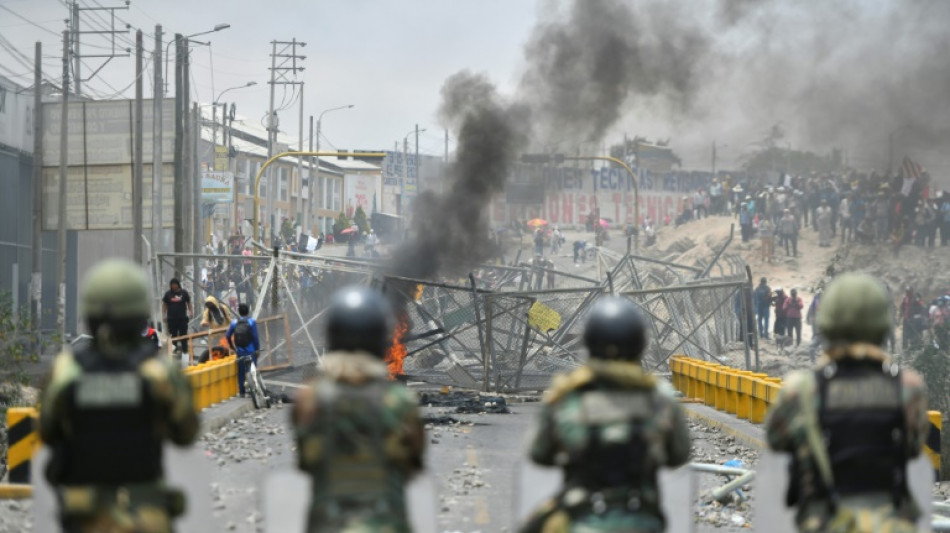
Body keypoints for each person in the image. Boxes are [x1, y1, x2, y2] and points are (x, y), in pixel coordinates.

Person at [39, 259, 199, 533]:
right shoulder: (159, 373)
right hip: (146, 515)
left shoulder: (66, 371)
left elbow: (47, 430)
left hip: (85, 515)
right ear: (139, 313)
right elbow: (185, 433)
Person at [765, 274, 928, 533]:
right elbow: (913, 449)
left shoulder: (803, 389)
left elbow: (776, 441)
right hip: (891, 522)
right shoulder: (907, 387)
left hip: (823, 522)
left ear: (828, 321)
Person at [520, 297, 691, 533]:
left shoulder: (568, 394)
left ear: (589, 342)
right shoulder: (658, 396)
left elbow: (540, 454)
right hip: (643, 522)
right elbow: (679, 456)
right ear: (639, 344)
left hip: (582, 521)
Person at [292, 286, 425, 533]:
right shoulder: (400, 401)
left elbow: (305, 463)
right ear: (379, 338)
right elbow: (413, 465)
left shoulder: (309, 398)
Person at [226, 304, 261, 398]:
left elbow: (228, 335)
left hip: (240, 351)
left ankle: (242, 392)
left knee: (241, 372)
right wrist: (257, 349)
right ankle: (254, 390)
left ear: (239, 312)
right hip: (251, 351)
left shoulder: (234, 322)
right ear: (248, 311)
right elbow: (255, 337)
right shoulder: (251, 322)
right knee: (252, 370)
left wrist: (232, 347)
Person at [162, 278, 192, 354]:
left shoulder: (184, 293)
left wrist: (191, 311)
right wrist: (163, 315)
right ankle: (173, 351)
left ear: (178, 285)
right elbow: (164, 305)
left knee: (183, 335)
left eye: (175, 284)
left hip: (182, 318)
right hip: (171, 319)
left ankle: (185, 351)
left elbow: (189, 302)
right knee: (173, 336)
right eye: (172, 285)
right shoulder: (168, 294)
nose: (173, 286)